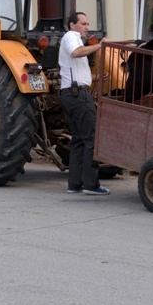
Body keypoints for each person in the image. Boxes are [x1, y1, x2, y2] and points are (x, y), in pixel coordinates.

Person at [58, 12, 110, 195]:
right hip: (78, 95)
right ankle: (91, 185)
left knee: (79, 140)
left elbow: (76, 70)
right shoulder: (71, 37)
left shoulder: (73, 39)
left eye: (88, 24)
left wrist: (96, 77)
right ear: (72, 25)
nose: (87, 27)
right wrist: (99, 45)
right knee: (91, 139)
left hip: (70, 94)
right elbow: (76, 53)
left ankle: (75, 184)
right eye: (83, 24)